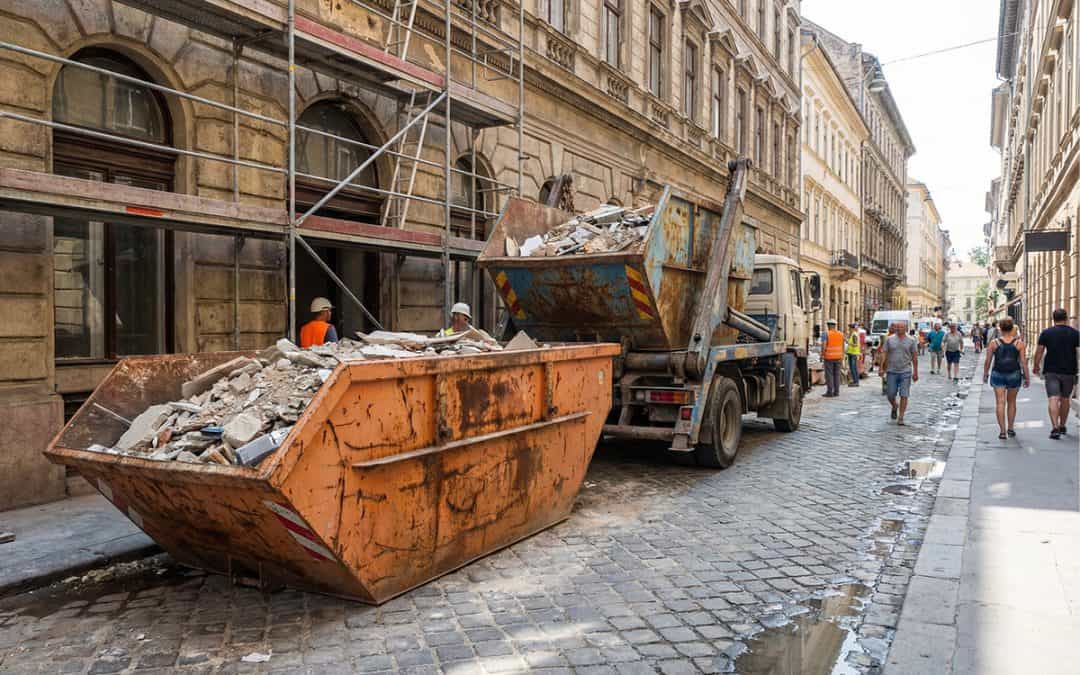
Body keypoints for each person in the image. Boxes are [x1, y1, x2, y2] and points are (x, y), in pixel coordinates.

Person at [1032, 308, 1079, 440]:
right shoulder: (1075, 333)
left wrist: (1036, 366)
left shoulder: (1046, 333)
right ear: (1067, 318)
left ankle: (1055, 428)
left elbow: (1039, 351)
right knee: (1065, 399)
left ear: (1053, 319)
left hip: (1051, 371)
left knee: (1053, 398)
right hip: (1069, 371)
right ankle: (1063, 425)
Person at [983, 317, 1029, 440]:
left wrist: (985, 373)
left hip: (998, 373)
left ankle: (1002, 431)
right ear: (1012, 328)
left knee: (1000, 402)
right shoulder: (1019, 343)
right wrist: (1027, 377)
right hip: (1014, 374)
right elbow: (1024, 362)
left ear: (1000, 328)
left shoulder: (994, 343)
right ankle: (1011, 428)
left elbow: (988, 360)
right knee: (1012, 402)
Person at [882, 321, 918, 425]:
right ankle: (894, 405)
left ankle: (901, 417)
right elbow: (884, 353)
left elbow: (914, 356)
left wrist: (915, 372)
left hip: (905, 371)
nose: (898, 329)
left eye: (901, 327)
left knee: (904, 394)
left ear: (906, 329)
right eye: (897, 327)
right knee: (890, 394)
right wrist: (881, 367)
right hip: (891, 371)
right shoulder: (889, 339)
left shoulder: (911, 340)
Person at [821, 318, 844, 397]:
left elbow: (824, 345)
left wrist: (822, 354)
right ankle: (837, 392)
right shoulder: (841, 334)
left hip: (829, 357)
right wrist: (842, 355)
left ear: (828, 325)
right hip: (839, 357)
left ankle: (830, 392)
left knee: (829, 375)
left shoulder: (826, 333)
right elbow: (843, 346)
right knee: (837, 375)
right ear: (835, 325)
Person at [845, 323, 861, 387]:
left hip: (853, 354)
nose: (849, 329)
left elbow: (855, 344)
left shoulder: (854, 335)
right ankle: (855, 381)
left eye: (850, 328)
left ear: (853, 328)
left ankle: (856, 382)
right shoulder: (853, 334)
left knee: (854, 368)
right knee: (852, 368)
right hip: (851, 353)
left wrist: (847, 341)